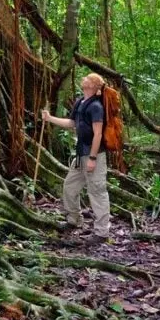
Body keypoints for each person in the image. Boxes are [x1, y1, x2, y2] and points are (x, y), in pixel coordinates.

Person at [41, 73, 110, 244]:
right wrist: (50, 118)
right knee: (70, 186)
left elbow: (98, 134)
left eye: (87, 78)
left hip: (93, 155)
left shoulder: (96, 106)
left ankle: (102, 233)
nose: (84, 79)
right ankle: (74, 219)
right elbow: (71, 123)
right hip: (80, 154)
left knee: (97, 192)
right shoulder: (80, 102)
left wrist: (93, 158)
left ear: (93, 85)